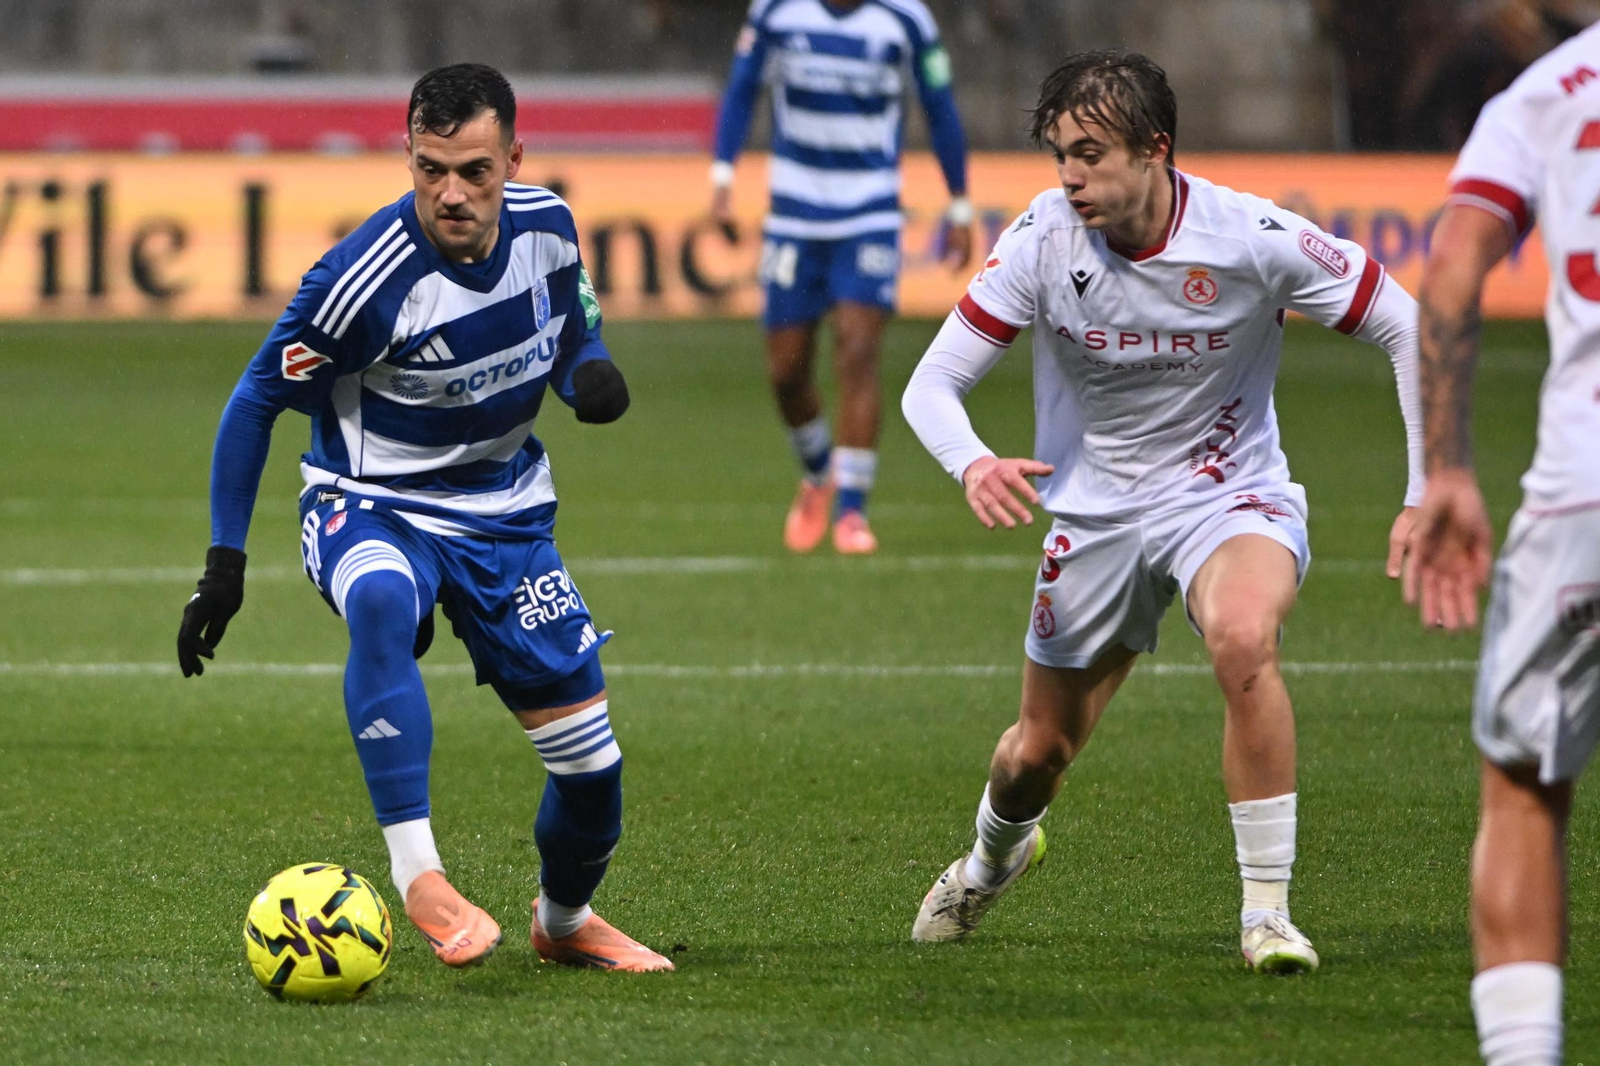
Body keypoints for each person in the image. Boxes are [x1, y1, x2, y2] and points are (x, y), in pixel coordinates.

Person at [901, 51, 1427, 973]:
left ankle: (1267, 914)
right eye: (1060, 153)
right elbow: (934, 384)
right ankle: (994, 858)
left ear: (1156, 150)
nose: (1070, 176)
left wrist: (1427, 489)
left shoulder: (1251, 236)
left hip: (1227, 493)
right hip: (1095, 512)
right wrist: (972, 460)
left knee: (1241, 638)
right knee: (1038, 750)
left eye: (1091, 154)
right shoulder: (1041, 239)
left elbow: (1406, 323)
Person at [176, 64, 672, 974]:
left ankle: (562, 923)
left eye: (475, 171)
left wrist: (585, 374)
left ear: (514, 158)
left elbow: (570, 329)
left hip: (505, 515)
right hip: (371, 501)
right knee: (380, 603)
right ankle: (420, 879)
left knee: (592, 774)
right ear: (408, 157)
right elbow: (254, 400)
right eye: (429, 168)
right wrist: (224, 563)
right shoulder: (361, 281)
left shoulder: (552, 227)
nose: (451, 193)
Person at [1408, 22, 1600, 1065]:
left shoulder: (1545, 93)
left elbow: (1451, 266)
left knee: (1524, 782)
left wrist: (1445, 469)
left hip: (1584, 489)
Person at [710, 0, 974, 554]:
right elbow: (741, 89)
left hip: (871, 214)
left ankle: (852, 512)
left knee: (856, 352)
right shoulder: (777, 12)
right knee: (786, 372)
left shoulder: (906, 19)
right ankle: (817, 474)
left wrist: (959, 206)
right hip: (793, 215)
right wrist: (722, 176)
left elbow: (940, 106)